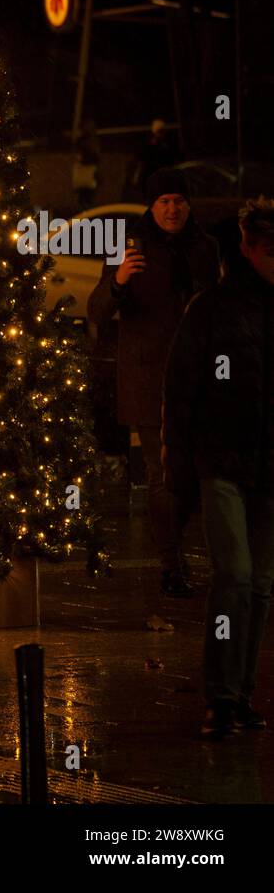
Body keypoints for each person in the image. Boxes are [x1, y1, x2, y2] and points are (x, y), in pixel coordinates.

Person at [163, 197, 274, 738]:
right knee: (235, 577)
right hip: (223, 461)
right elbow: (181, 390)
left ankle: (240, 692)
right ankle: (222, 696)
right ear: (249, 250)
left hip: (266, 465)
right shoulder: (212, 309)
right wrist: (180, 465)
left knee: (259, 585)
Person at [88, 168, 220, 597]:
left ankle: (201, 553)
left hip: (201, 382)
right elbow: (97, 310)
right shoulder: (131, 248)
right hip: (150, 380)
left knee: (201, 475)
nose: (172, 208)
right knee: (162, 476)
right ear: (151, 204)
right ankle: (172, 563)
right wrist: (120, 279)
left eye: (179, 200)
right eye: (163, 200)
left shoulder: (205, 248)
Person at [134, 119, 180, 201]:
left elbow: (173, 159)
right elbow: (142, 162)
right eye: (159, 131)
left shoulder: (167, 146)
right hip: (152, 177)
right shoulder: (149, 146)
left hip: (163, 177)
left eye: (162, 131)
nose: (161, 134)